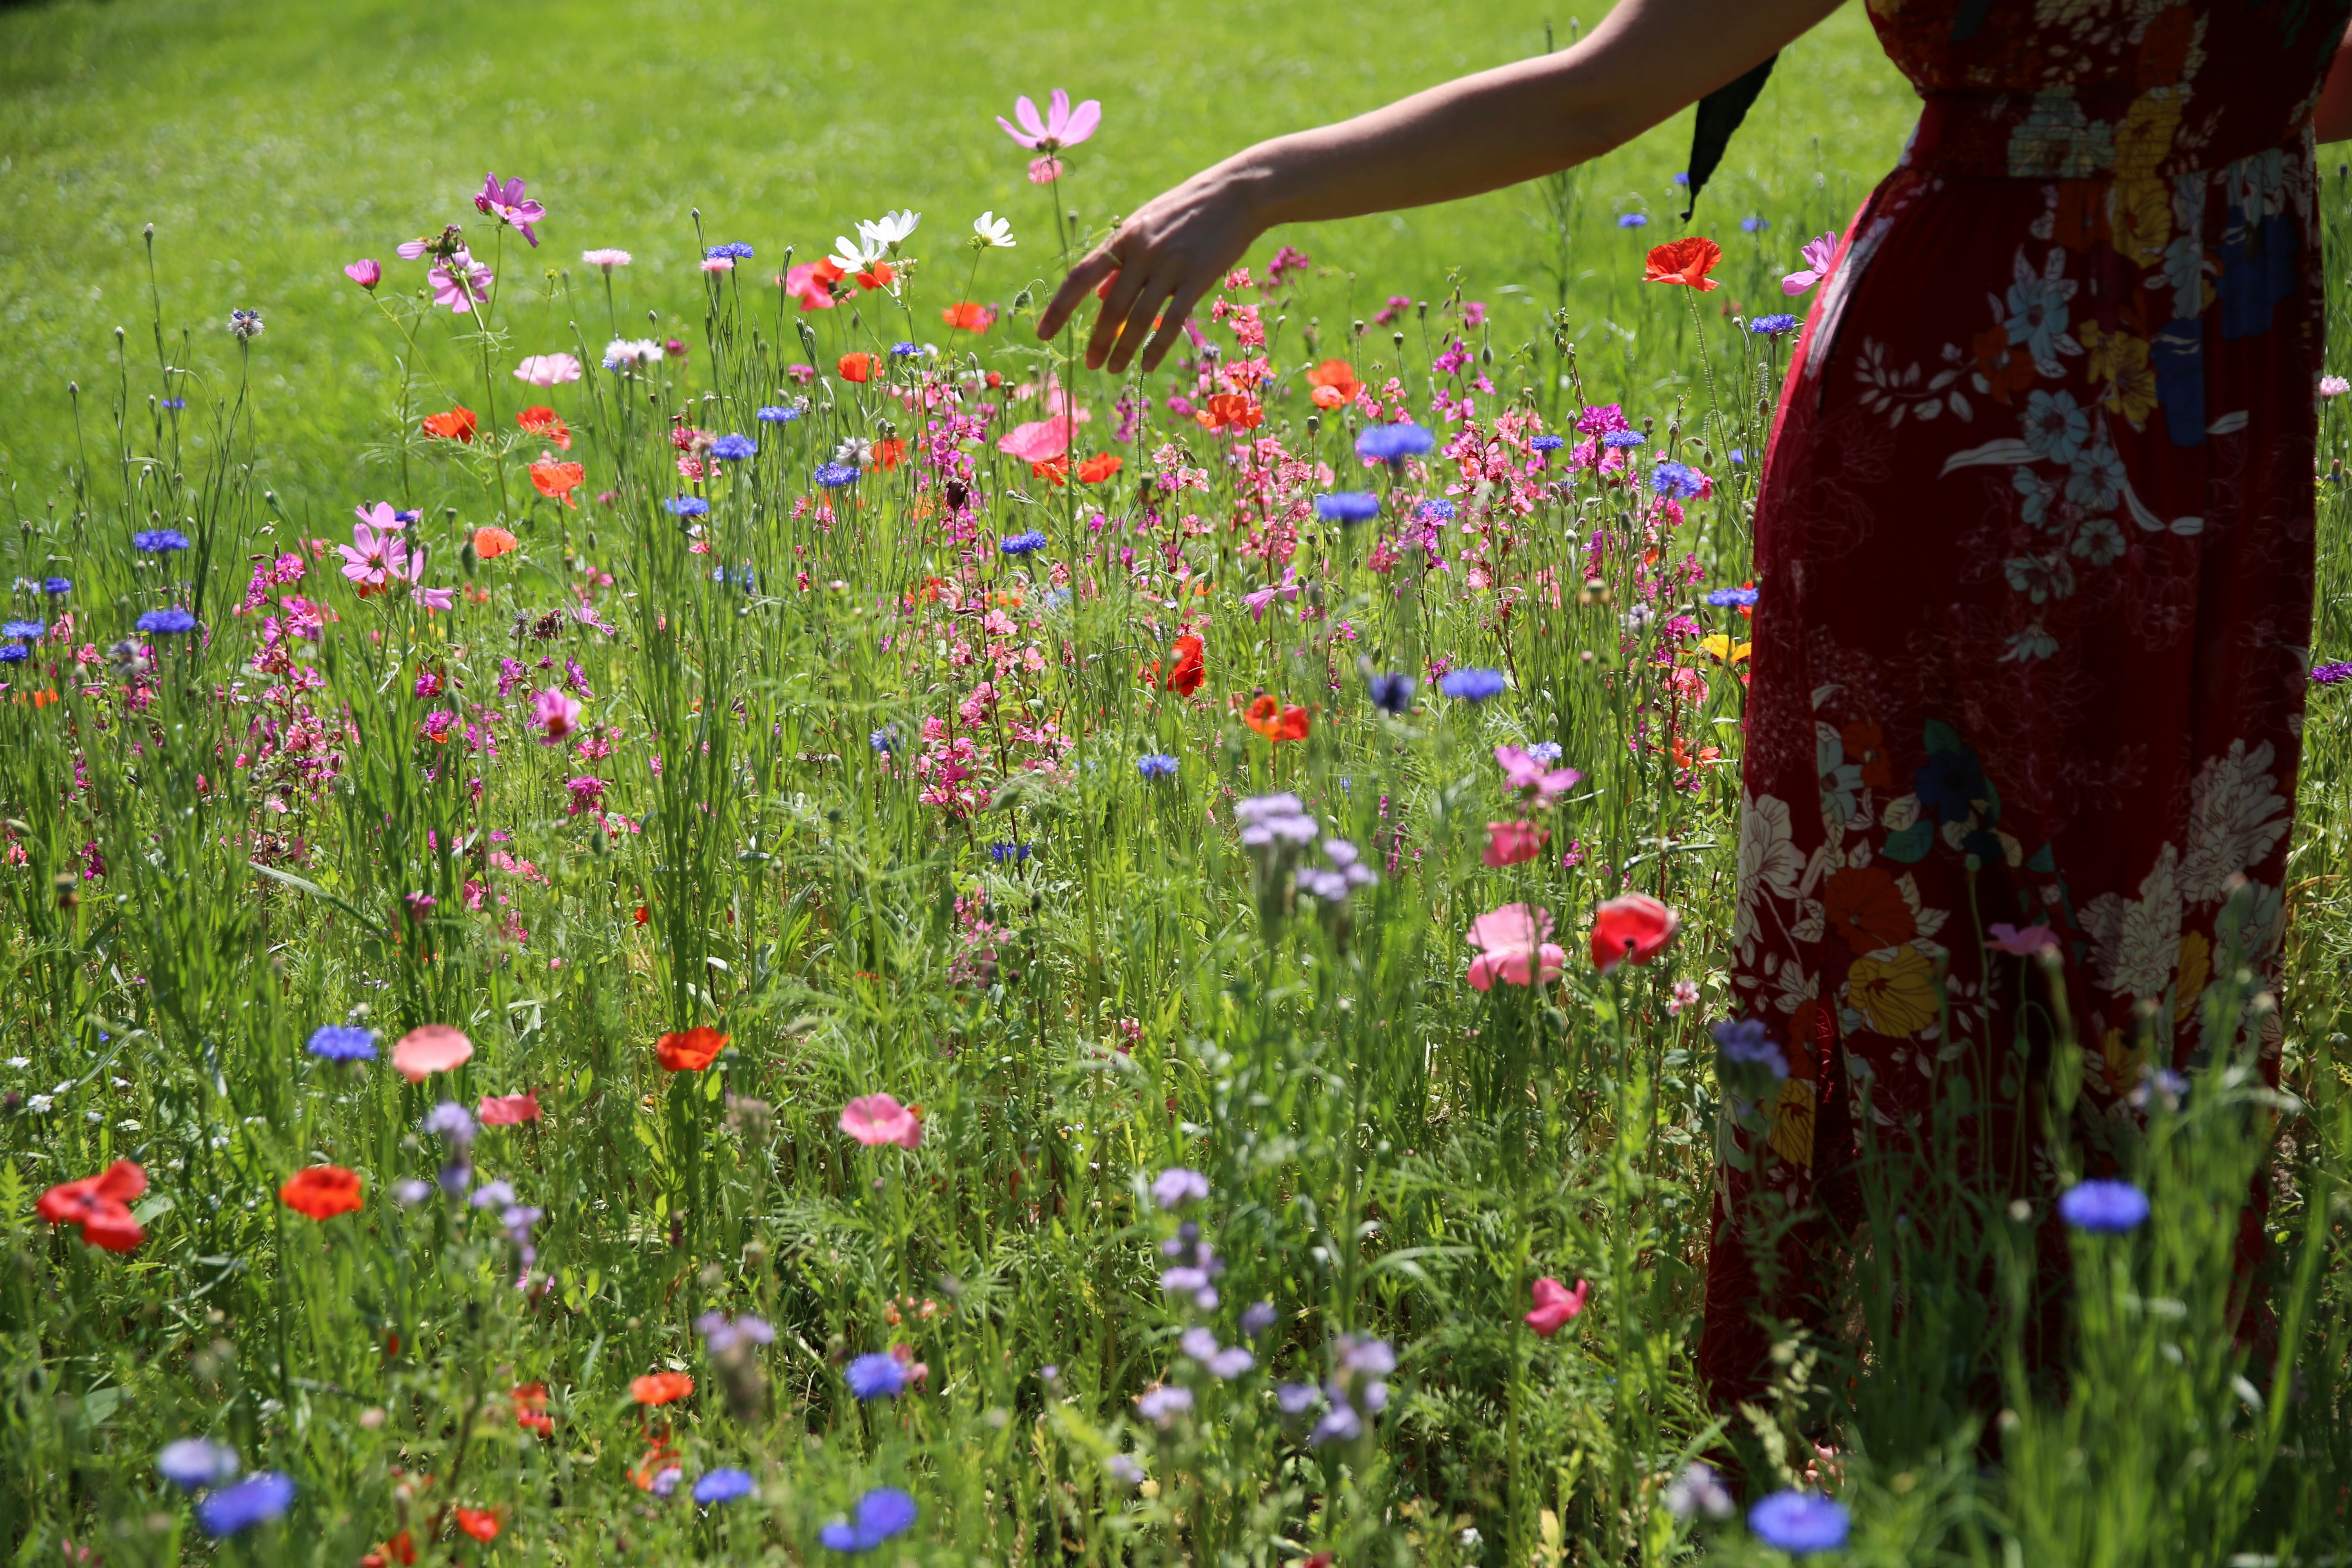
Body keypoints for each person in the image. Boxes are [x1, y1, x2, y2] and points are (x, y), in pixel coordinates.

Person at [1042, 0, 2352, 1410]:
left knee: (2167, 903)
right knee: (1952, 918)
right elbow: (1593, 98)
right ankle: (1938, 1407)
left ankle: (2113, 1392)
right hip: (1986, 406)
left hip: (2205, 381)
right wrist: (1257, 184)